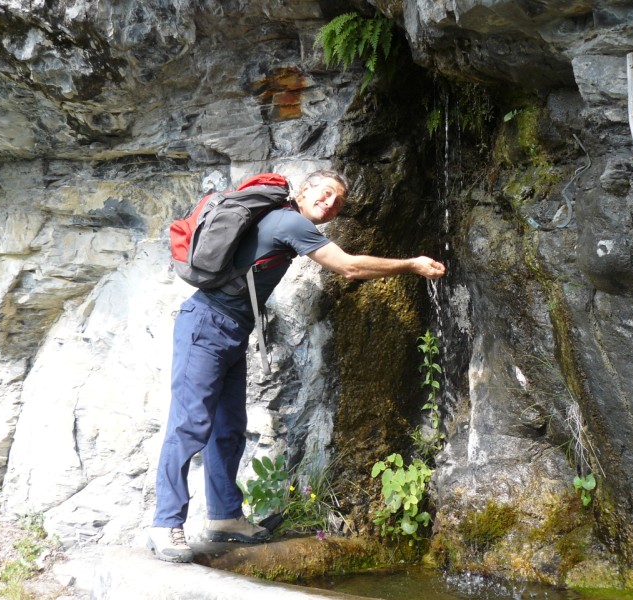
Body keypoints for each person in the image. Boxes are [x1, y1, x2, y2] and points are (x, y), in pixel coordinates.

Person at [147, 169, 446, 562]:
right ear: (304, 190)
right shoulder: (289, 221)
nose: (329, 204)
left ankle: (224, 517)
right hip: (206, 324)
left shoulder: (285, 221)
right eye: (325, 193)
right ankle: (166, 522)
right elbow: (349, 267)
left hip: (230, 329)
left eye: (337, 202)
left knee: (228, 429)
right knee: (189, 425)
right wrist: (412, 265)